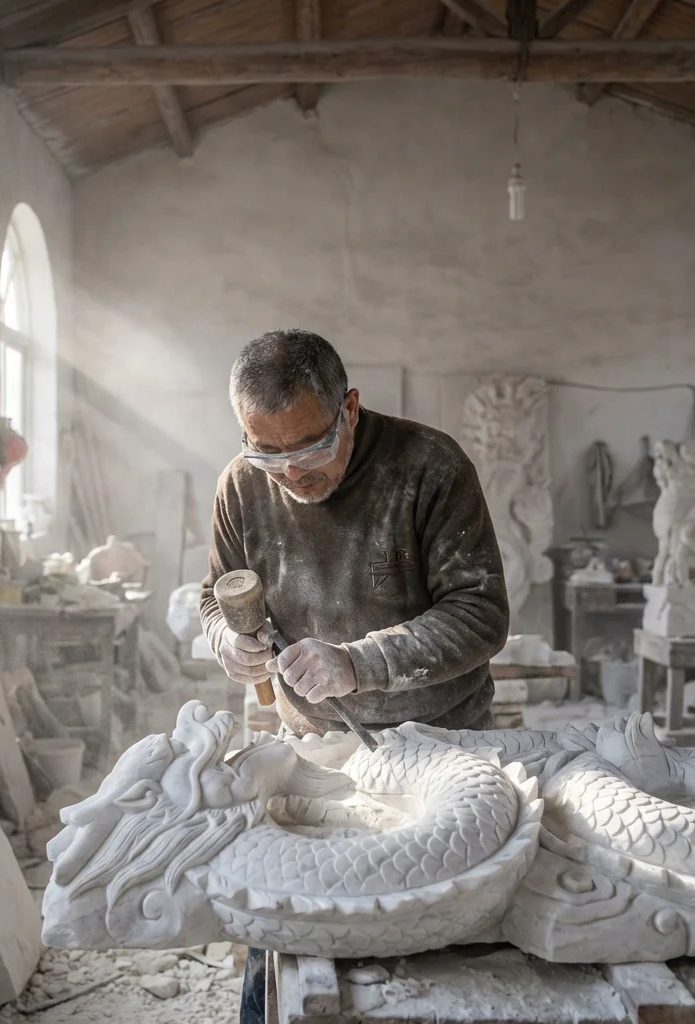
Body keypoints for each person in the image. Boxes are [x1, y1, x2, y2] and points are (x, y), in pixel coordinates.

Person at [198, 329, 510, 1024]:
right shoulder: (242, 487)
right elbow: (214, 594)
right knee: (288, 931)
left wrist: (360, 661)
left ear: (351, 408)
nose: (289, 472)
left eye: (309, 447)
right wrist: (226, 637)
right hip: (313, 749)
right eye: (265, 450)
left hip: (440, 740)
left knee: (427, 943)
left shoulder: (429, 468)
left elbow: (483, 613)